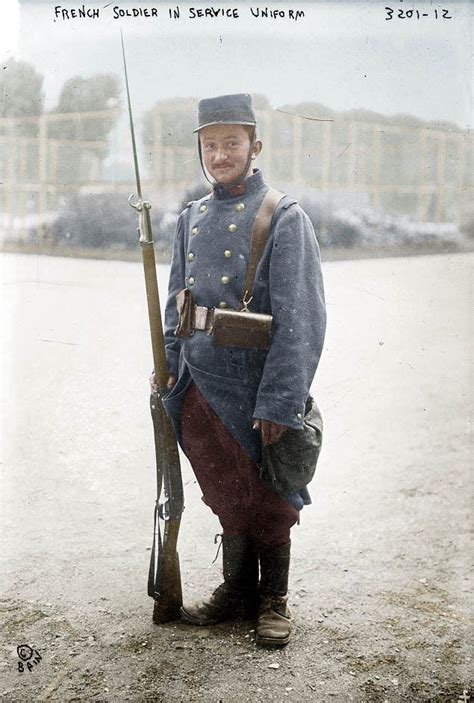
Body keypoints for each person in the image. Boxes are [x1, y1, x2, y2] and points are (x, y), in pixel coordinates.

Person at [150, 93, 326, 648]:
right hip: (199, 385)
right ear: (200, 151)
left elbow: (302, 317)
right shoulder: (190, 218)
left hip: (254, 387)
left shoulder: (283, 215)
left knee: (271, 494)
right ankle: (236, 592)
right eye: (210, 145)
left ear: (255, 146)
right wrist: (168, 375)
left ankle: (272, 599)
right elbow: (177, 306)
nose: (220, 154)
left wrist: (280, 401)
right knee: (223, 491)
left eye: (232, 143)